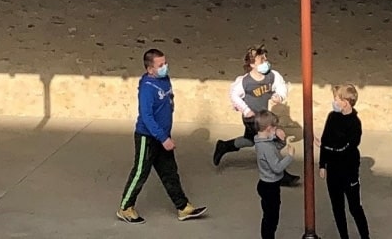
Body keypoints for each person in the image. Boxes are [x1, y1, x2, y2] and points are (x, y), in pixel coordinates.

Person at [117, 48, 207, 224]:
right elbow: (147, 117)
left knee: (170, 172)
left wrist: (166, 134)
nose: (165, 67)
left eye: (165, 63)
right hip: (147, 138)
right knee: (140, 172)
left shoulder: (164, 79)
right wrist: (163, 138)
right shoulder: (147, 89)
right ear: (150, 69)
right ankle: (125, 207)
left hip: (163, 136)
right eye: (160, 65)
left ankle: (183, 207)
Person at [214, 46, 299, 186]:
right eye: (261, 60)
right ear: (252, 64)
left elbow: (281, 86)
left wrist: (280, 96)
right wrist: (246, 110)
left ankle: (225, 146)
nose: (265, 62)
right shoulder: (245, 82)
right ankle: (280, 174)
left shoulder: (272, 76)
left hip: (264, 116)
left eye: (266, 58)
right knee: (269, 142)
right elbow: (234, 95)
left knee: (250, 140)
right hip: (252, 119)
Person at [318, 84, 369, 239]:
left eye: (336, 99)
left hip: (349, 171)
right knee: (337, 208)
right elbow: (325, 139)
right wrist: (322, 164)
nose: (334, 102)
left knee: (355, 208)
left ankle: (365, 237)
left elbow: (346, 147)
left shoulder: (355, 123)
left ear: (345, 102)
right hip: (333, 170)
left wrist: (326, 146)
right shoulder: (332, 117)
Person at [253, 111, 295, 239]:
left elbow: (275, 146)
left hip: (266, 184)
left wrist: (282, 140)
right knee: (271, 218)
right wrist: (290, 156)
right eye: (275, 128)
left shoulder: (261, 140)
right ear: (269, 128)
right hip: (270, 186)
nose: (276, 130)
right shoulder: (266, 147)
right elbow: (277, 168)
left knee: (269, 215)